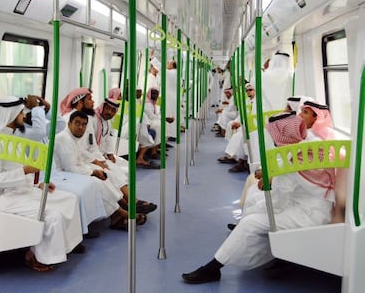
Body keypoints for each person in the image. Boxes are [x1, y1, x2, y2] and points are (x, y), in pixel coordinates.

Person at [182, 101, 335, 284]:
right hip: (311, 206)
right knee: (255, 212)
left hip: (308, 214)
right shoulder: (306, 143)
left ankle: (213, 269)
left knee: (251, 223)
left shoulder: (297, 156)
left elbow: (279, 198)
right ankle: (276, 257)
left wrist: (258, 206)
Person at [0, 96, 83, 272]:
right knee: (52, 215)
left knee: (69, 199)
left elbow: (18, 169)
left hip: (20, 189)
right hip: (2, 196)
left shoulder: (13, 137)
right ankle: (37, 256)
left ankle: (66, 246)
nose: (23, 116)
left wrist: (37, 185)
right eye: (21, 112)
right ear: (12, 114)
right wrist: (25, 172)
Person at [18, 94, 105, 238]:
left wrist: (47, 109)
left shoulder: (40, 130)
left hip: (55, 173)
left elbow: (60, 125)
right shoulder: (25, 133)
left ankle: (83, 228)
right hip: (40, 178)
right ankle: (78, 233)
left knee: (90, 184)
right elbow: (39, 131)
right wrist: (36, 108)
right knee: (76, 195)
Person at [60, 88, 158, 215]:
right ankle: (129, 204)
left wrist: (103, 157)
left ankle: (128, 202)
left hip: (88, 157)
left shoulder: (85, 118)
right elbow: (78, 148)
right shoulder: (70, 120)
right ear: (79, 102)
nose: (93, 101)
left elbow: (93, 144)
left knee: (115, 167)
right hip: (79, 160)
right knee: (109, 172)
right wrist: (96, 160)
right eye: (89, 99)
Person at [55, 110, 148, 230]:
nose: (81, 127)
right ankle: (120, 213)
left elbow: (82, 153)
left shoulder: (73, 137)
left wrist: (96, 164)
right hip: (61, 174)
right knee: (98, 183)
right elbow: (70, 168)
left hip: (78, 167)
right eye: (77, 123)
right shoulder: (65, 139)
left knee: (106, 172)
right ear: (69, 124)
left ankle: (124, 205)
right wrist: (93, 171)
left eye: (84, 125)